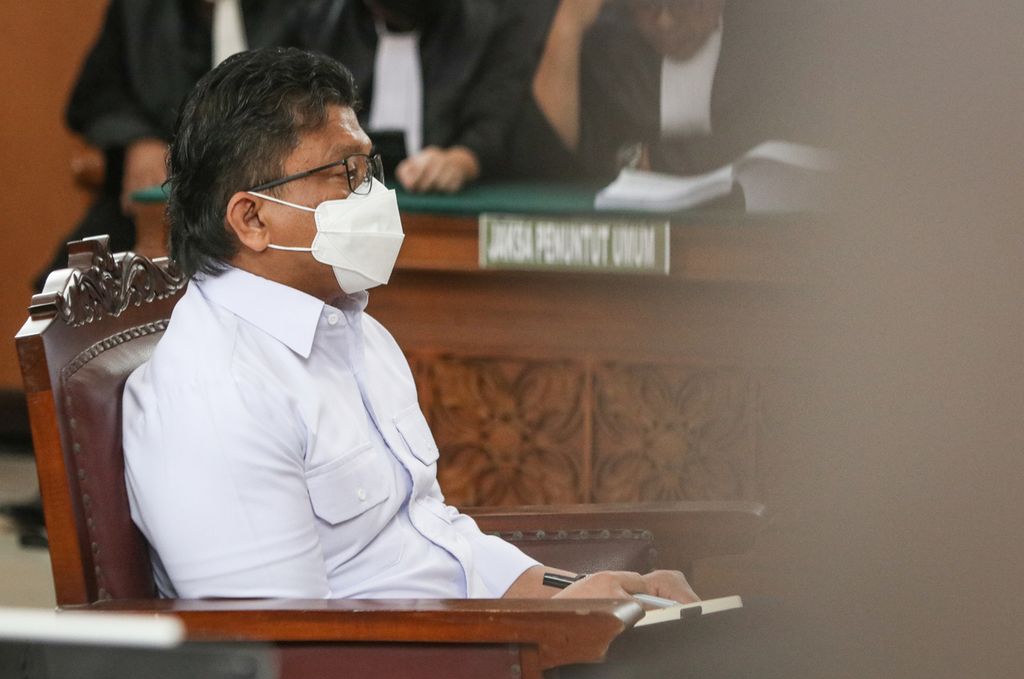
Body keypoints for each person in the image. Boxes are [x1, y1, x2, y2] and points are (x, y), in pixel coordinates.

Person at [122, 46, 697, 605]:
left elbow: (433, 536)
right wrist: (540, 634)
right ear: (252, 219)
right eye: (343, 174)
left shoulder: (354, 330)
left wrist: (573, 595)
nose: (374, 193)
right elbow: (284, 645)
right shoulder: (218, 392)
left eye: (368, 166)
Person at [35, 0, 313, 289]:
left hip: (280, 191)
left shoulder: (309, 9)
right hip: (167, 192)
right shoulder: (137, 8)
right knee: (64, 293)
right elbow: (96, 96)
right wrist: (137, 139)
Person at [508, 0, 833, 182]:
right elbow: (544, 158)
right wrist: (568, 25)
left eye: (684, 5)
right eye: (647, 6)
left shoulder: (776, 39)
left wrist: (651, 159)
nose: (664, 22)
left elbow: (767, 144)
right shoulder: (611, 44)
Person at [305, 0, 547, 193]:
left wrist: (461, 160)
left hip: (454, 204)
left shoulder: (494, 18)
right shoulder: (314, 18)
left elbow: (497, 112)